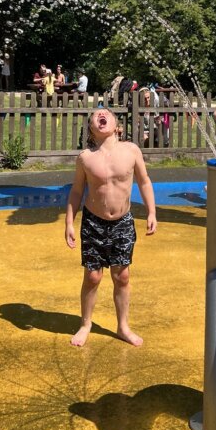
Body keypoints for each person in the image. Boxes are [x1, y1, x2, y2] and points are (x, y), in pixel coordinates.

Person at [64, 107, 157, 348]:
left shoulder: (131, 151)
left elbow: (144, 181)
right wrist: (69, 222)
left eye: (105, 113)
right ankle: (86, 324)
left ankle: (122, 326)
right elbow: (76, 191)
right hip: (93, 222)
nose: (100, 115)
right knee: (93, 276)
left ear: (117, 125)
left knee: (122, 276)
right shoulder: (86, 157)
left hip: (123, 222)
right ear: (91, 129)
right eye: (95, 115)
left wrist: (152, 212)